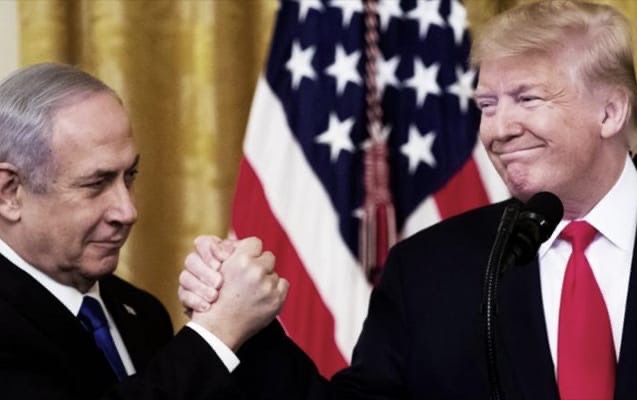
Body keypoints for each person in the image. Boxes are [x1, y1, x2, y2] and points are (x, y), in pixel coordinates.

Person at [179, 1, 637, 399]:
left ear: (610, 111)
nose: (499, 130)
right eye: (487, 105)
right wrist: (245, 327)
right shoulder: (427, 269)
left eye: (528, 99)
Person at [0, 62, 288, 400]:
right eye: (96, 183)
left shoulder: (141, 312)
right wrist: (217, 332)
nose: (128, 211)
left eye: (130, 176)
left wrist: (236, 316)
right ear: (10, 193)